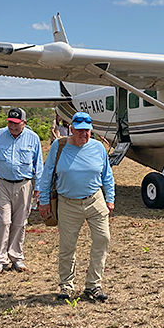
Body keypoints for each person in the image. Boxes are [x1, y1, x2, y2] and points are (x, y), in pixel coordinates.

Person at [38, 112, 115, 303]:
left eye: (87, 131)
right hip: (68, 203)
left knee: (102, 239)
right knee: (67, 246)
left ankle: (93, 286)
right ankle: (66, 286)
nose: (84, 134)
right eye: (79, 130)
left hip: (94, 200)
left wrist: (110, 198)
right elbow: (47, 175)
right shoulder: (59, 146)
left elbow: (107, 175)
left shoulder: (98, 147)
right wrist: (44, 201)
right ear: (71, 129)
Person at [0, 108, 44, 274]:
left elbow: (39, 165)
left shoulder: (33, 138)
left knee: (19, 222)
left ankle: (16, 257)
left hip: (24, 184)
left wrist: (38, 187)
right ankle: (0, 260)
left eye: (17, 123)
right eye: (10, 122)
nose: (13, 126)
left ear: (24, 123)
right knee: (3, 222)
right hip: (2, 183)